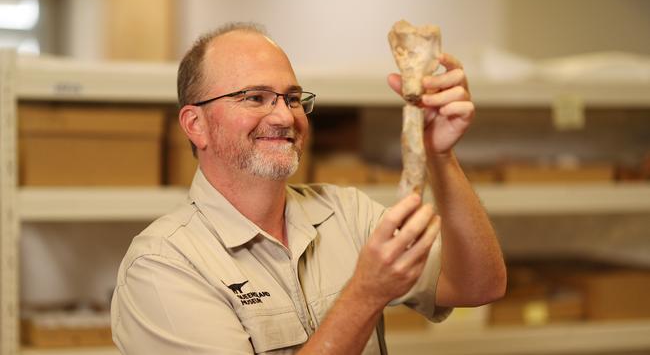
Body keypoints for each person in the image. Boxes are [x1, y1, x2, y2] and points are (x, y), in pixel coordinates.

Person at [111, 22, 506, 355]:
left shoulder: (347, 212)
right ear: (195, 124)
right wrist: (366, 293)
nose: (285, 116)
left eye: (294, 98)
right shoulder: (163, 266)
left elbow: (478, 284)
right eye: (255, 97)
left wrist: (440, 154)